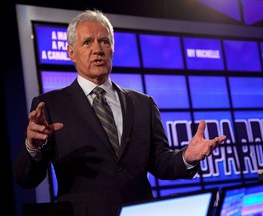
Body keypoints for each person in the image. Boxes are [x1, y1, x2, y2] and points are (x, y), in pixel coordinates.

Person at [14, 9, 227, 216]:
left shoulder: (143, 103)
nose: (97, 49)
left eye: (104, 41)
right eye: (87, 42)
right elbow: (26, 179)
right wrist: (33, 147)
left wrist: (186, 157)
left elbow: (161, 163)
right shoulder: (50, 105)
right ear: (71, 52)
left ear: (112, 49)